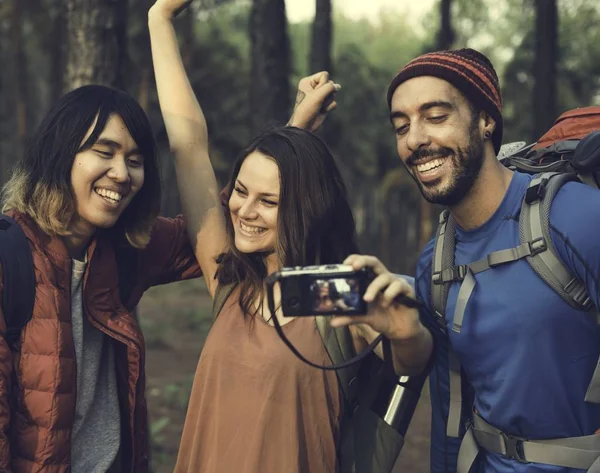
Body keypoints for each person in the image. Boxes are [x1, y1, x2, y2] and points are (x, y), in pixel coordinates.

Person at [147, 1, 433, 472]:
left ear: (304, 209)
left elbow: (410, 360)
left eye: (268, 202)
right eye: (239, 191)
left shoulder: (327, 294)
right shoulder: (232, 285)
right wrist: (159, 18)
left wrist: (407, 333)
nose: (242, 210)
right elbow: (189, 145)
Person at [301, 47, 600, 473]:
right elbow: (449, 409)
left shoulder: (576, 217)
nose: (415, 139)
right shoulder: (435, 261)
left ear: (486, 120)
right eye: (401, 126)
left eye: (436, 116)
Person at [0, 85, 202, 472]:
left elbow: (223, 229)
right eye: (105, 152)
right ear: (61, 154)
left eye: (136, 160)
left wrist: (291, 138)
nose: (123, 174)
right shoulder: (9, 259)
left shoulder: (121, 250)